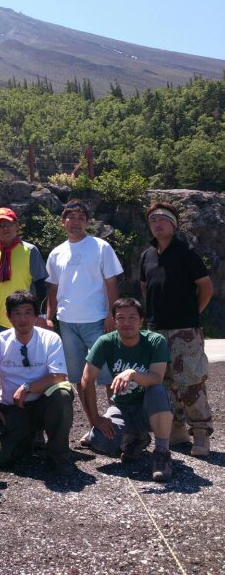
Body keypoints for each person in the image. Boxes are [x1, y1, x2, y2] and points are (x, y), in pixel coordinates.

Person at [140, 201, 214, 456]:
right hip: (156, 330)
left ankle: (201, 434)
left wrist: (193, 315)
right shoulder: (147, 254)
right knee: (165, 382)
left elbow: (206, 288)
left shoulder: (187, 252)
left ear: (173, 223)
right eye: (152, 220)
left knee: (191, 381)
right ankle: (176, 430)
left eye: (162, 219)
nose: (157, 224)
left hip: (185, 329)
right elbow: (144, 288)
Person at [45, 200, 123, 438]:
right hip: (67, 322)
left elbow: (111, 283)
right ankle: (94, 423)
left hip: (98, 320)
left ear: (87, 222)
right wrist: (49, 318)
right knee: (79, 377)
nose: (75, 221)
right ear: (63, 221)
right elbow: (52, 289)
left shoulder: (101, 247)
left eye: (80, 217)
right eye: (71, 216)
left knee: (109, 377)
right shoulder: (56, 252)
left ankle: (117, 425)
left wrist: (112, 315)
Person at [81, 298, 173, 482]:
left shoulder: (155, 341)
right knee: (99, 442)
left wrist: (132, 374)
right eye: (120, 318)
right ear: (114, 321)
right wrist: (95, 419)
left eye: (132, 317)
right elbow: (86, 379)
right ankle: (135, 439)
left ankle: (162, 452)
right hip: (121, 407)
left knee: (157, 391)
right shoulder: (106, 342)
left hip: (149, 408)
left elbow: (156, 377)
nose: (126, 323)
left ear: (141, 321)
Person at [0, 291, 75, 474]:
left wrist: (27, 387)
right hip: (13, 408)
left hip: (44, 404)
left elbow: (59, 375)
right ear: (8, 316)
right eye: (17, 313)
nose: (23, 318)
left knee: (63, 394)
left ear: (35, 316)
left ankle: (58, 455)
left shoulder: (50, 338)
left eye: (27, 312)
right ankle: (27, 437)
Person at [0, 207, 48, 341]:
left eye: (9, 224)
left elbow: (41, 287)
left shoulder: (30, 251)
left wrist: (42, 316)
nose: (5, 228)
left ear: (17, 225)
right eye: (0, 225)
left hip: (26, 321)